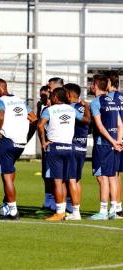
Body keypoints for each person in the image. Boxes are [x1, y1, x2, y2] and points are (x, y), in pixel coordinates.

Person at [0, 78, 37, 220]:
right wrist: (27, 138)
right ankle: (7, 201)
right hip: (20, 144)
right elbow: (34, 119)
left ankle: (13, 210)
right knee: (10, 170)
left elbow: (0, 115)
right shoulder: (20, 101)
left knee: (6, 176)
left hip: (7, 142)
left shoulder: (0, 101)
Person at [37, 88, 78, 221]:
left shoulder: (50, 110)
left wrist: (43, 142)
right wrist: (87, 108)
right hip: (69, 147)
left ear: (55, 97)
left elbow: (40, 125)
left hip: (55, 147)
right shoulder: (72, 109)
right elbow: (86, 119)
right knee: (71, 180)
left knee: (57, 182)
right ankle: (75, 212)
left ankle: (59, 212)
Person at [89, 74, 122, 220]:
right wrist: (118, 142)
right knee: (113, 176)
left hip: (103, 145)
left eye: (91, 84)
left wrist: (112, 141)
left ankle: (103, 211)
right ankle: (114, 209)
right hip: (115, 144)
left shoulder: (96, 102)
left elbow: (100, 126)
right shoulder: (112, 101)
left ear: (95, 85)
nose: (90, 86)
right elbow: (120, 125)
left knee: (102, 177)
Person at [64, 83, 91, 220]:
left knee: (71, 180)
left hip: (72, 146)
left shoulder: (69, 109)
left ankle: (75, 212)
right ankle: (76, 209)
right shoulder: (84, 107)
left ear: (68, 95)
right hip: (82, 146)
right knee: (77, 179)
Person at [35, 85, 57, 214]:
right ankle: (48, 201)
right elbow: (39, 125)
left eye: (44, 95)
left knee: (54, 175)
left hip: (53, 145)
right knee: (45, 174)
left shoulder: (53, 109)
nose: (42, 98)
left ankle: (55, 203)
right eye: (40, 95)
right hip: (46, 146)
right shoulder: (43, 108)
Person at [105, 70, 123, 218]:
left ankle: (114, 208)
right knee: (117, 175)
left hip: (114, 140)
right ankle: (118, 207)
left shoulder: (109, 99)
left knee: (112, 175)